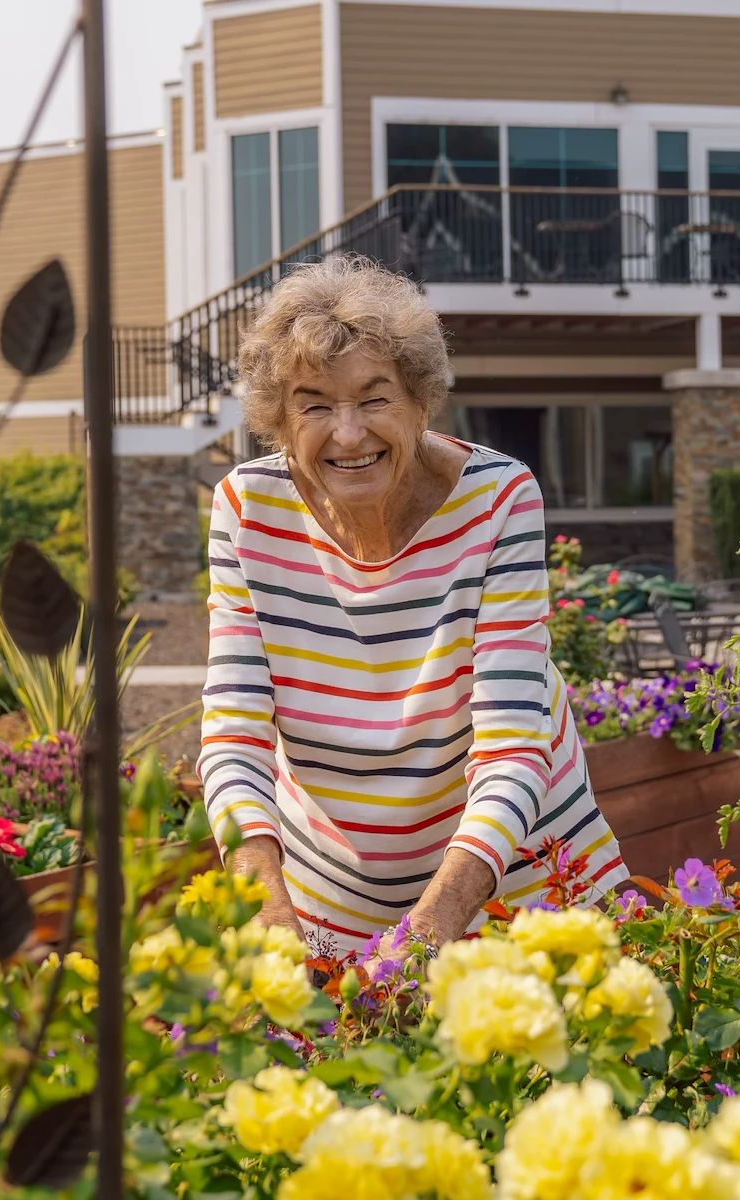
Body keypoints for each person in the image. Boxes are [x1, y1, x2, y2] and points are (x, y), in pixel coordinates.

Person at [198, 255, 626, 967]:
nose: (348, 433)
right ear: (278, 420)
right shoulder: (247, 510)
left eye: (373, 398)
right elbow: (235, 732)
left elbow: (514, 746)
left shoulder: (496, 499)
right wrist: (267, 910)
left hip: (527, 899)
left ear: (420, 402)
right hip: (327, 914)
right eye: (314, 404)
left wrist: (431, 930)